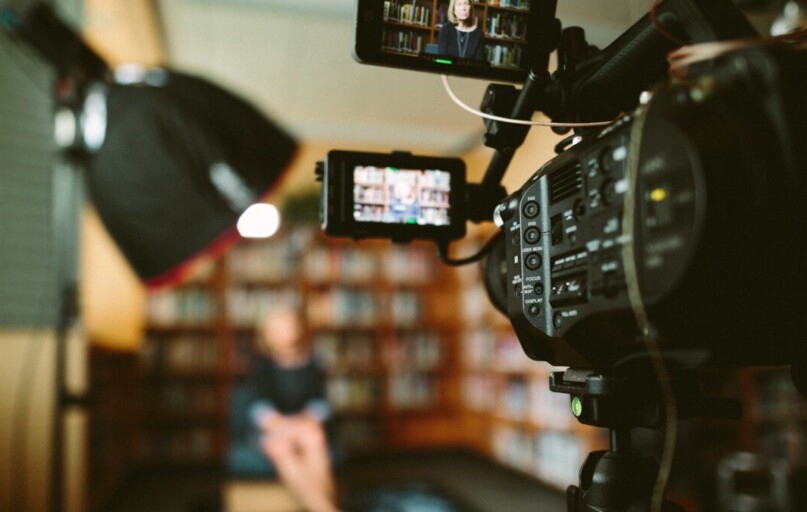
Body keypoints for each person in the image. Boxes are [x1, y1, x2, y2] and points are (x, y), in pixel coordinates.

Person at [235, 305, 339, 512]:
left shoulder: (313, 362)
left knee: (314, 439)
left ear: (297, 329)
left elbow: (321, 402)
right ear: (267, 335)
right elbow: (258, 405)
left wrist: (306, 420)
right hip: (274, 427)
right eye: (277, 329)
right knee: (281, 448)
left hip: (305, 424)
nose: (284, 333)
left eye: (287, 327)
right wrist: (279, 424)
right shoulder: (261, 364)